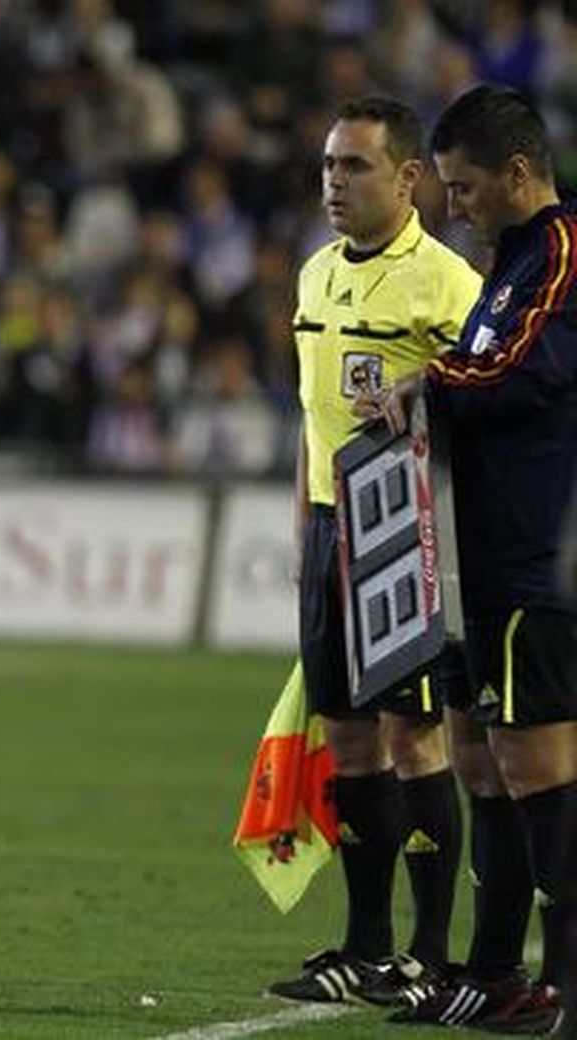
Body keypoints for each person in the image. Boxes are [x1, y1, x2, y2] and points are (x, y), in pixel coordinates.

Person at [363, 85, 576, 1034]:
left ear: (518, 173)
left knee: (541, 772)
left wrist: (430, 380)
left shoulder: (563, 253)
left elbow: (521, 372)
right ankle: (496, 973)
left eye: (463, 187)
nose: (452, 206)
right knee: (485, 768)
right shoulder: (510, 264)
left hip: (539, 559)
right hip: (481, 560)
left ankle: (563, 985)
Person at [269, 96, 479, 1006]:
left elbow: (484, 403)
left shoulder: (446, 282)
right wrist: (303, 526)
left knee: (414, 737)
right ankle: (367, 948)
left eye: (355, 166)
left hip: (407, 534)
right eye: (328, 165)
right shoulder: (314, 273)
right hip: (329, 529)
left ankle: (429, 956)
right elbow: (310, 417)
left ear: (408, 179)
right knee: (351, 741)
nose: (334, 182)